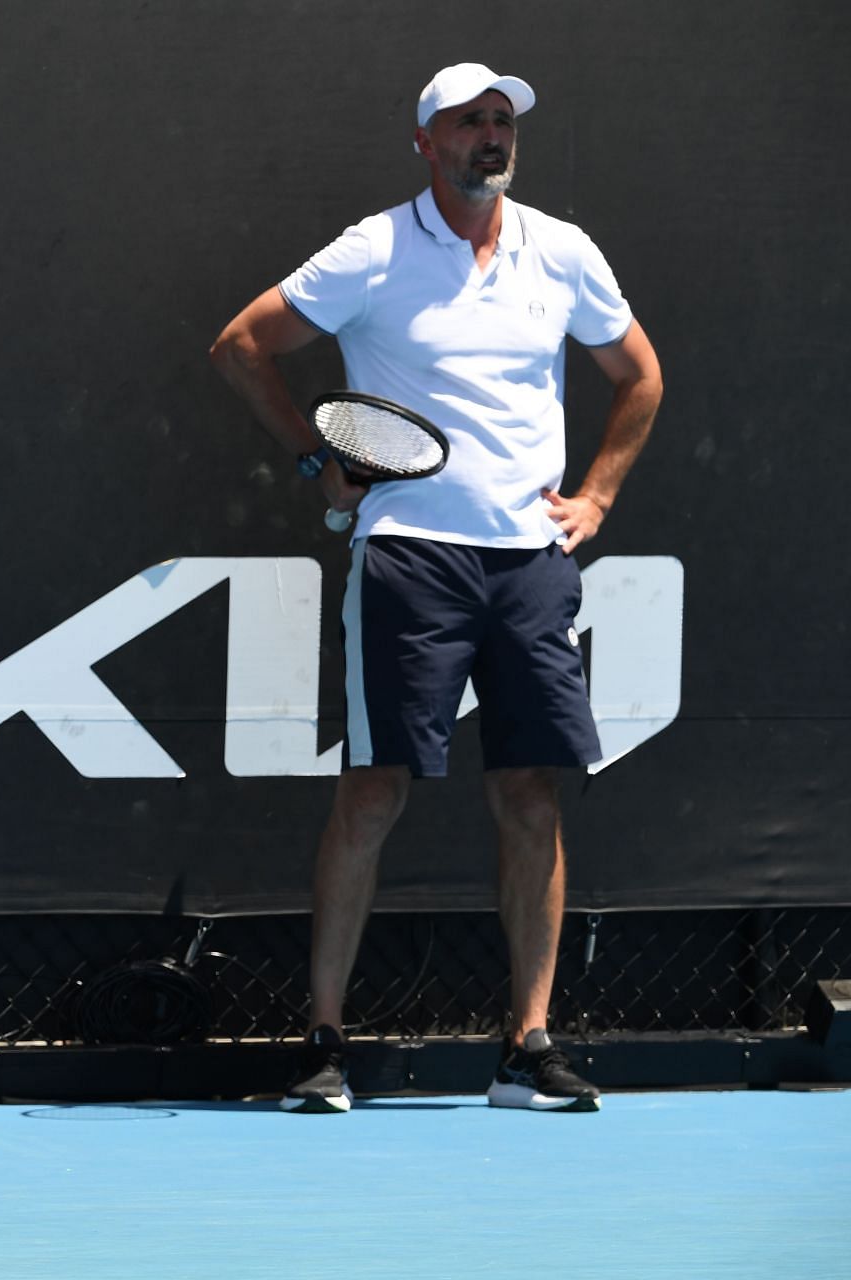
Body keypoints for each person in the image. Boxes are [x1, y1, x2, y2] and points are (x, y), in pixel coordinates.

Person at [209, 63, 663, 1114]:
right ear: (427, 141)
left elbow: (640, 374)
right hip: (410, 553)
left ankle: (527, 1044)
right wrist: (314, 460)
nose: (491, 138)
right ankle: (323, 1040)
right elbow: (242, 344)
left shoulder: (564, 252)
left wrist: (593, 496)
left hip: (530, 564)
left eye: (503, 123)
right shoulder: (374, 250)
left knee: (530, 790)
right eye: (470, 123)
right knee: (374, 789)